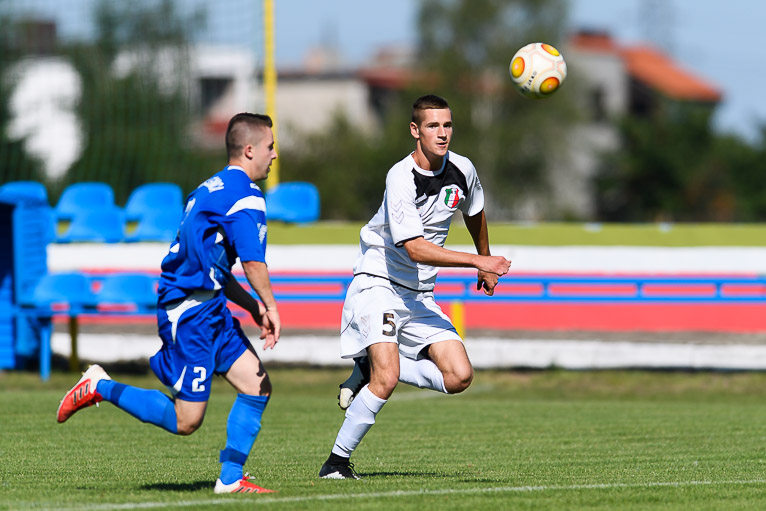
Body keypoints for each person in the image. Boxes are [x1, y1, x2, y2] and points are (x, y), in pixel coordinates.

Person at [56, 113, 282, 494]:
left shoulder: (207, 190)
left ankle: (230, 479)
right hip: (190, 313)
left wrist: (251, 306)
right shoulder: (245, 196)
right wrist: (271, 305)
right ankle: (99, 386)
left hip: (209, 307)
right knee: (186, 420)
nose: (274, 155)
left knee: (256, 386)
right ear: (249, 150)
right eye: (270, 147)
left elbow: (211, 266)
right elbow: (253, 262)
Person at [319, 95, 511, 479]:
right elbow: (415, 248)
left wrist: (485, 258)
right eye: (433, 126)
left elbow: (474, 211)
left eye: (447, 125)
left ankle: (368, 363)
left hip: (419, 294)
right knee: (386, 378)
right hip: (379, 283)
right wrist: (477, 262)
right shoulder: (400, 177)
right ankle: (335, 464)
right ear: (415, 130)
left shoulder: (463, 169)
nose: (442, 133)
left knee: (459, 375)